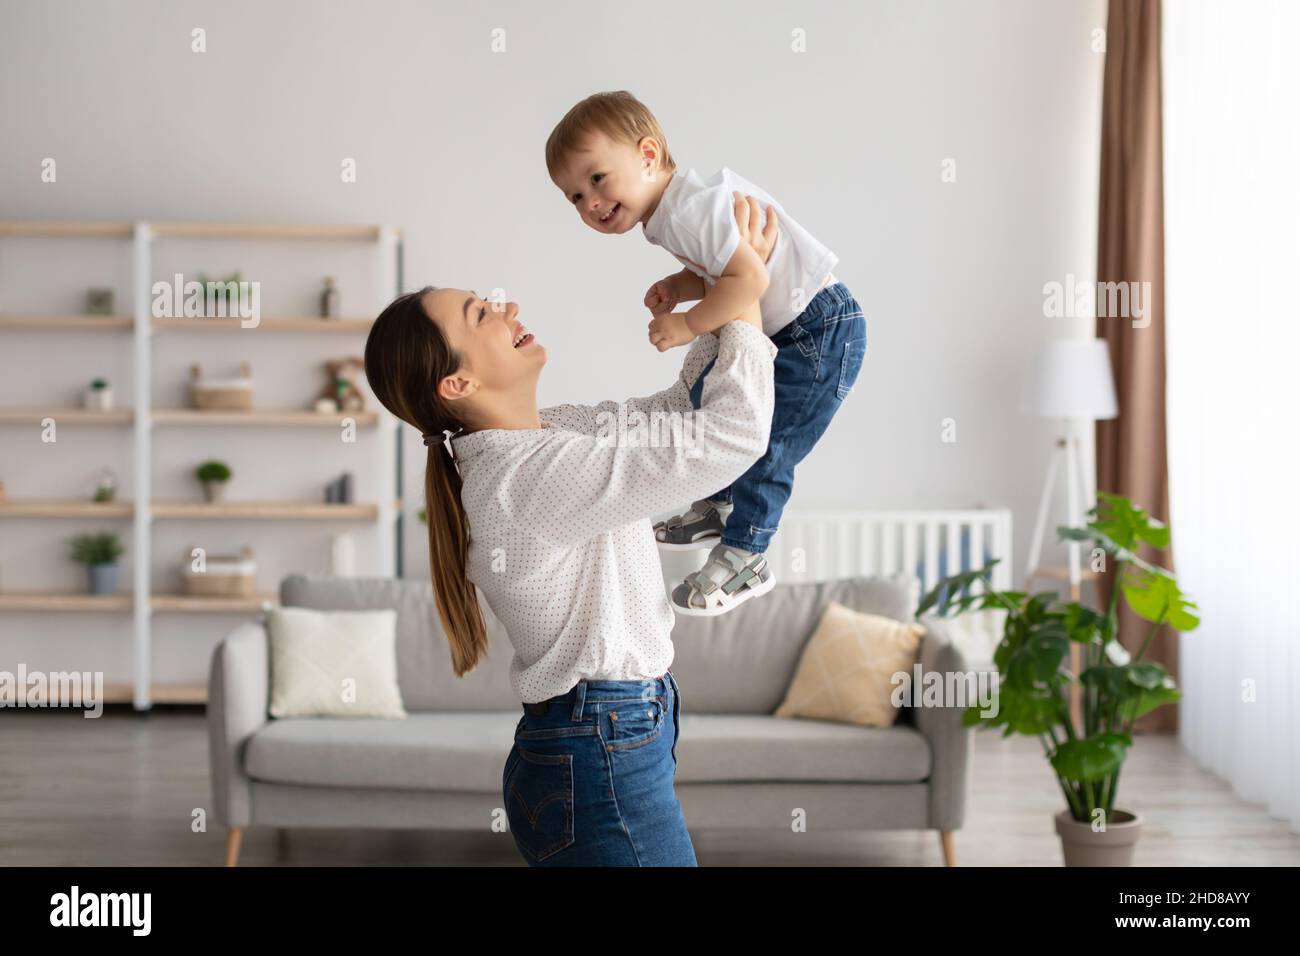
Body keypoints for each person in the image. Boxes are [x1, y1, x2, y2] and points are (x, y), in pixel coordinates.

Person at [362, 196, 779, 866]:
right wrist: (747, 300)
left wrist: (715, 302)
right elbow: (730, 438)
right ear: (458, 381)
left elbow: (675, 414)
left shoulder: (549, 437)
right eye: (482, 314)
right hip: (602, 748)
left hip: (604, 741)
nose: (507, 308)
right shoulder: (527, 476)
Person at [546, 90, 868, 616]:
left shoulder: (690, 209)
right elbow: (724, 267)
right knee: (705, 396)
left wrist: (685, 324)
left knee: (767, 441)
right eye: (575, 198)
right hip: (792, 323)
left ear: (648, 155)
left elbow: (750, 277)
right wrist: (682, 284)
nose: (591, 204)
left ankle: (748, 552)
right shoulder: (671, 212)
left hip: (819, 327)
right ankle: (720, 500)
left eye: (597, 179)